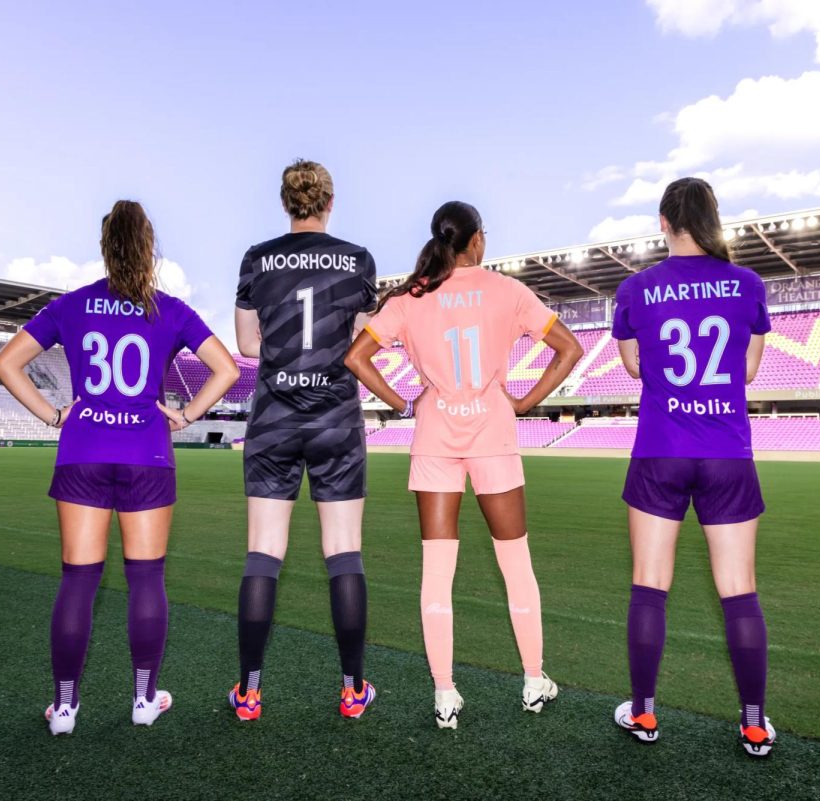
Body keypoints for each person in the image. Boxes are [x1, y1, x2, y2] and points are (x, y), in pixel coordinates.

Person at [0, 200, 239, 735]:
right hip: (148, 453)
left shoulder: (72, 305)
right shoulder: (169, 310)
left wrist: (56, 414)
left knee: (79, 582)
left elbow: (5, 363)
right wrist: (188, 414)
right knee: (146, 577)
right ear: (149, 248)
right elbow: (225, 367)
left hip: (82, 450)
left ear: (106, 248)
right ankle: (145, 701)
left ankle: (64, 709)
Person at [345, 201, 583, 729]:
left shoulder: (413, 297)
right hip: (493, 434)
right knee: (515, 564)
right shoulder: (507, 291)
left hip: (435, 436)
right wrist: (524, 402)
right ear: (475, 240)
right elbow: (568, 349)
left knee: (437, 574)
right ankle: (533, 678)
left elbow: (356, 357)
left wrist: (403, 403)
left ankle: (445, 693)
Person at [609, 177, 775, 756]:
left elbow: (632, 367)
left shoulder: (635, 288)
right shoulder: (746, 283)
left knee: (650, 586)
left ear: (662, 223)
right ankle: (754, 722)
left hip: (660, 449)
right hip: (729, 453)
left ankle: (645, 714)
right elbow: (749, 371)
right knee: (739, 591)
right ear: (712, 219)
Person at [231, 159, 378, 720]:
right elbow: (365, 341)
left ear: (286, 203)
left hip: (273, 418)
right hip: (336, 418)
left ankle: (248, 691)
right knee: (343, 552)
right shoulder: (357, 259)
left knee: (264, 553)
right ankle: (352, 689)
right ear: (329, 203)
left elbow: (248, 345)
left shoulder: (257, 257)